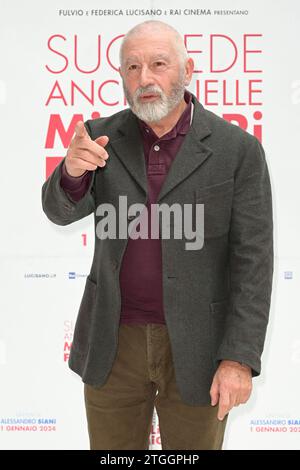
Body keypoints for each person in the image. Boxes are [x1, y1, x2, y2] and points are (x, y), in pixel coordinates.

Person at [41, 20, 274, 450]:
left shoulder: (237, 150)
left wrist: (239, 357)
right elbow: (57, 210)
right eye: (132, 67)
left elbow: (254, 263)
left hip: (199, 347)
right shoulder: (98, 138)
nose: (144, 78)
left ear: (187, 69)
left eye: (158, 64)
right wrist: (72, 172)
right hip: (113, 343)